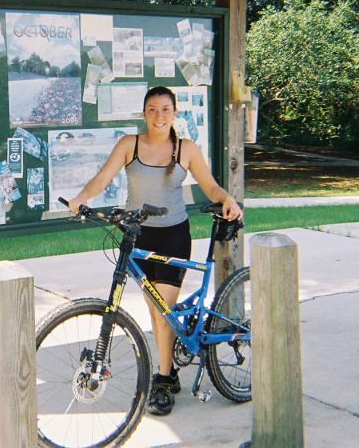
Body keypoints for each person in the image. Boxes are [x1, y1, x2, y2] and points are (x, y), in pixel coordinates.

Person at [68, 85, 243, 416]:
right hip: (138, 234)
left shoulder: (186, 149)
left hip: (173, 235)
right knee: (155, 310)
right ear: (144, 113)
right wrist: (81, 198)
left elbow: (210, 186)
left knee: (164, 311)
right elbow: (101, 179)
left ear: (175, 114)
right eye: (152, 109)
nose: (159, 115)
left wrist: (226, 198)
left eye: (165, 109)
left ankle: (164, 379)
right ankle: (169, 366)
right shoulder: (129, 145)